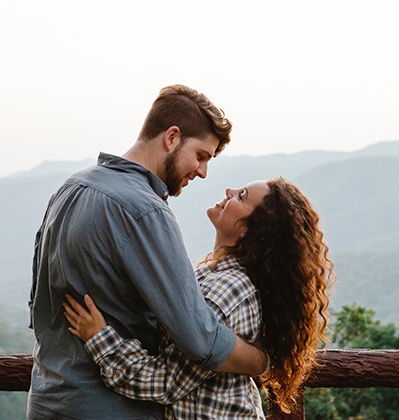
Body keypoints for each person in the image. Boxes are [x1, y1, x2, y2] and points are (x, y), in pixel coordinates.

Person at [28, 85, 268, 420]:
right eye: (200, 156)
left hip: (46, 400)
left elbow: (36, 303)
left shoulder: (70, 188)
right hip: (111, 407)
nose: (202, 172)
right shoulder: (145, 211)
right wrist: (262, 360)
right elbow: (200, 338)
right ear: (171, 137)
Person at [64, 177, 333, 418]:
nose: (230, 190)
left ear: (251, 231)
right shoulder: (220, 276)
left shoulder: (224, 291)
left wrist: (99, 338)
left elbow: (164, 383)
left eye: (241, 196)